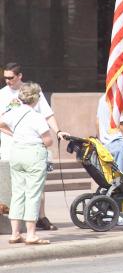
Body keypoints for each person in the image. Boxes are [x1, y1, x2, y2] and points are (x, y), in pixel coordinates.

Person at [0, 63, 68, 231]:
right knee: (18, 188)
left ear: (20, 76)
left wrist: (58, 131)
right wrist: (17, 135)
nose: (7, 81)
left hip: (33, 147)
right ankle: (21, 227)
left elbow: (48, 114)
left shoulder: (33, 92)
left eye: (11, 77)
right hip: (13, 147)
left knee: (37, 185)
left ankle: (40, 217)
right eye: (5, 77)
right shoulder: (2, 94)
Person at [0, 83, 54, 244]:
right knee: (33, 193)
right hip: (33, 154)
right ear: (36, 98)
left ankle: (15, 233)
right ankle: (31, 234)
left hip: (16, 152)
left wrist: (15, 134)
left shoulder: (14, 112)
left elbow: (1, 122)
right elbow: (48, 140)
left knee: (17, 193)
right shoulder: (37, 117)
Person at [96, 94, 123, 175]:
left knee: (109, 181)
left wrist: (99, 141)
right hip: (119, 145)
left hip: (105, 146)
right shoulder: (117, 99)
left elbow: (97, 122)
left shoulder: (102, 99)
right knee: (120, 180)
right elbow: (122, 126)